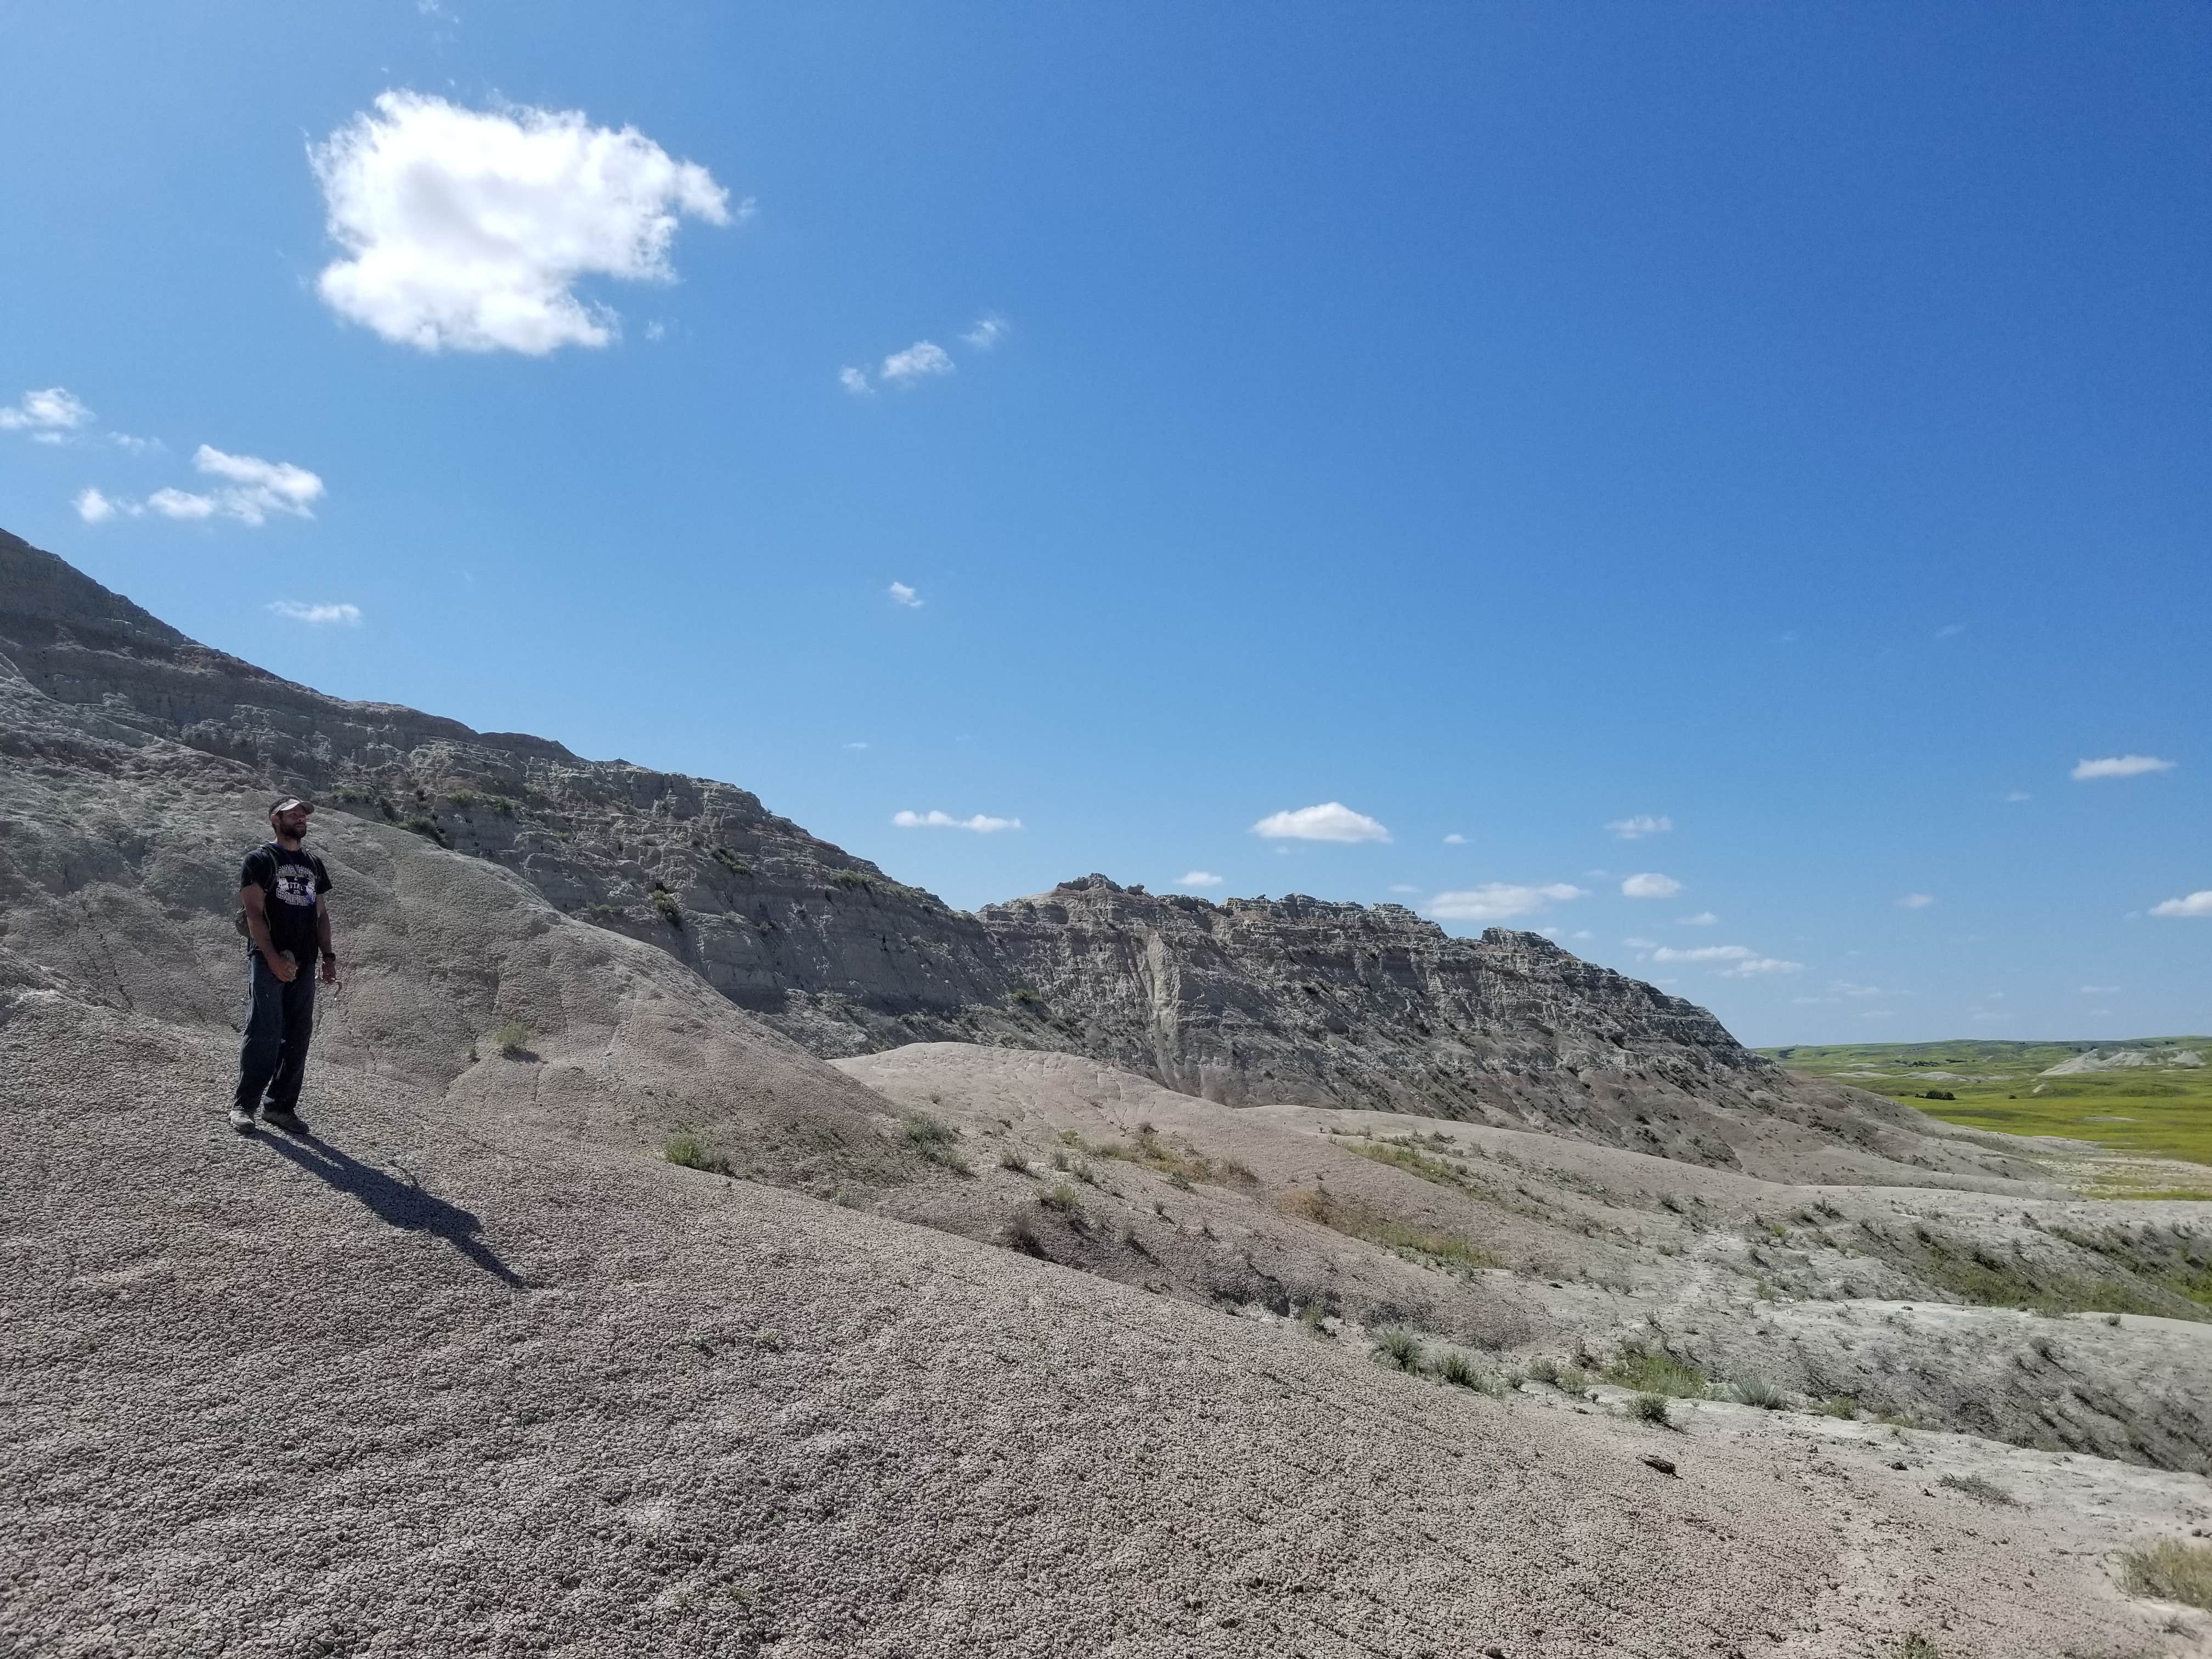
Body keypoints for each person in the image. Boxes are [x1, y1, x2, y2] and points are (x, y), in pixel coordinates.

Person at [230, 797, 338, 1134]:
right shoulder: (261, 860)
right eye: (293, 813)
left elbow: (320, 914)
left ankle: (280, 1107)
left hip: (305, 961)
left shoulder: (313, 864)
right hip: (268, 958)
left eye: (303, 814)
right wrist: (273, 958)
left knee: (298, 1035)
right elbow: (253, 913)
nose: (301, 818)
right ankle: (244, 1105)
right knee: (264, 1030)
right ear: (275, 820)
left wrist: (328, 957)